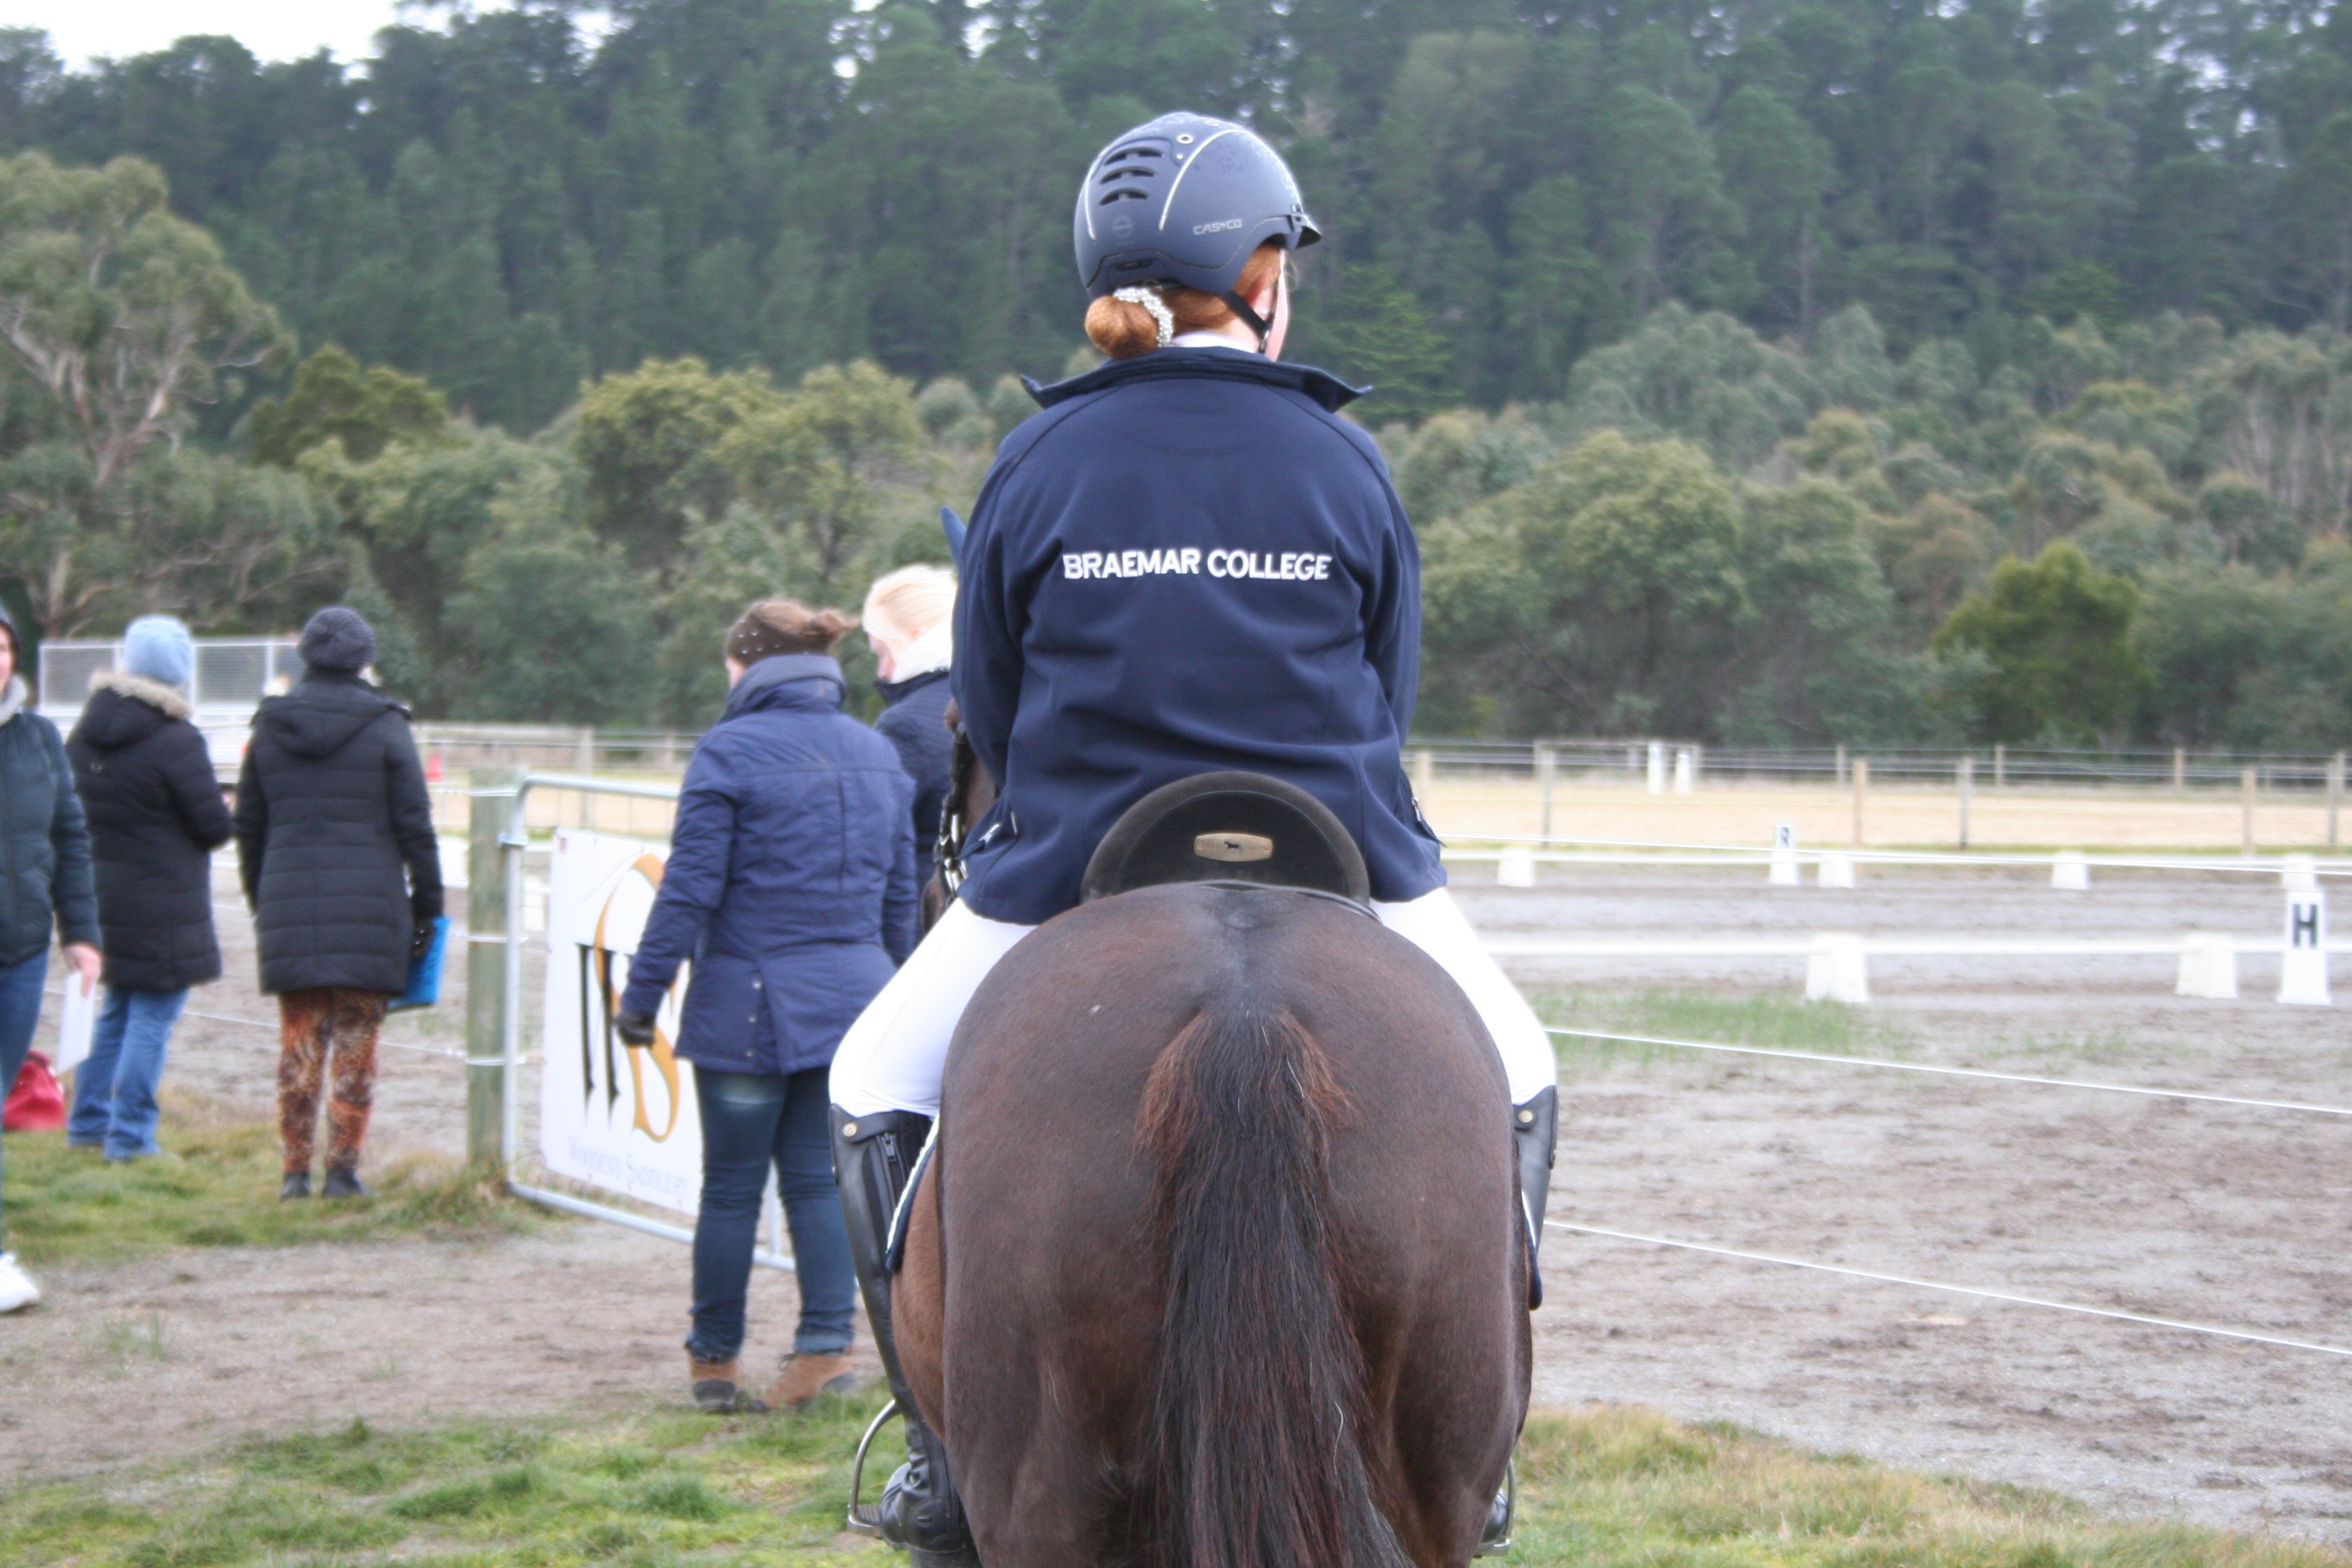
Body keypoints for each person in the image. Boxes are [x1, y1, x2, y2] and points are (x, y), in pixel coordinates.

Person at [824, 112, 1561, 1561]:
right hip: (1345, 850)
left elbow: (993, 700)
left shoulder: (1040, 454)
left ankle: (938, 1453)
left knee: (868, 1080)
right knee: (1520, 1073)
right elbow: (1390, 686)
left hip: (1070, 855)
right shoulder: (1343, 457)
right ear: (1263, 273)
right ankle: (1468, 1461)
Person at [614, 600, 917, 1415]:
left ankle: (715, 1362)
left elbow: (689, 890)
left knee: (731, 1189)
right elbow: (899, 900)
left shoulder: (729, 750)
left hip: (747, 1004)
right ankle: (825, 1352)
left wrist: (641, 998)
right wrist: (893, 994)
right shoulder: (877, 751)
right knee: (818, 1183)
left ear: (745, 665)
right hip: (854, 1004)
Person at [233, 606, 442, 1200]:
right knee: (357, 1045)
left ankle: (294, 1173)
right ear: (365, 658)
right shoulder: (387, 726)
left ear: (306, 655)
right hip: (371, 908)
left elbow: (249, 826)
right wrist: (427, 905)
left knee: (300, 1043)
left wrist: (262, 899)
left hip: (289, 902)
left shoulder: (270, 726)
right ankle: (343, 1172)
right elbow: (415, 826)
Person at [65, 617, 236, 1162]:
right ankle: (131, 1136)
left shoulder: (84, 732)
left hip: (100, 896)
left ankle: (88, 1122)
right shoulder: (176, 739)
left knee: (116, 1010)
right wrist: (228, 808)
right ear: (179, 671)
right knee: (152, 1017)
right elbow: (212, 827)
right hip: (164, 901)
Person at [0, 603, 101, 1313]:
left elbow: (69, 836)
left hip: (21, 950)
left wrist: (81, 933)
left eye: (4, 648)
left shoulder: (39, 739)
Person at [863, 566, 958, 887]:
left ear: (915, 636)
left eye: (882, 654)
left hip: (929, 900)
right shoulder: (1001, 697)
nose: (882, 672)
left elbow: (874, 834)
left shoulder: (905, 724)